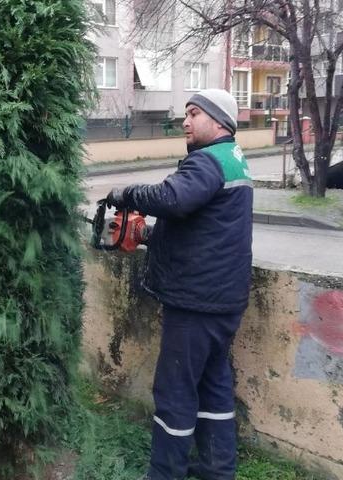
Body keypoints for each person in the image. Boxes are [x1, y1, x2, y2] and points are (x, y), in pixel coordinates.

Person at [104, 89, 253, 480]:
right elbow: (205, 229)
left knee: (174, 393)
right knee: (214, 387)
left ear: (218, 121)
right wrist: (150, 236)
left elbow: (173, 198)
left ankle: (163, 473)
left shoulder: (207, 162)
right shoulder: (233, 161)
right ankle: (216, 470)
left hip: (195, 303)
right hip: (223, 300)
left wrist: (126, 195)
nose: (184, 122)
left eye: (192, 114)